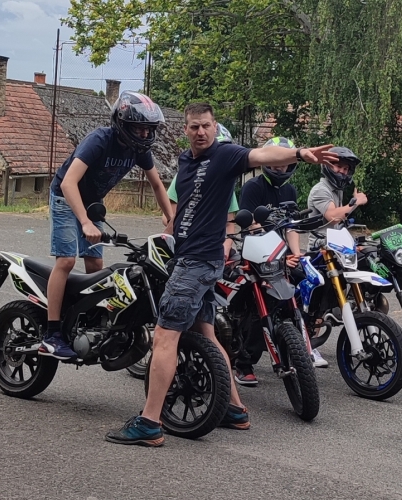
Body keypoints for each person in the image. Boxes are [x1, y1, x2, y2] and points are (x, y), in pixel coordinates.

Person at [105, 102, 338, 447]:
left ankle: (149, 423)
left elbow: (262, 155)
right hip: (191, 257)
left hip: (198, 262)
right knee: (206, 333)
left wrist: (300, 154)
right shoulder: (186, 161)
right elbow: (181, 209)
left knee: (164, 336)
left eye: (206, 126)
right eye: (194, 126)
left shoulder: (226, 155)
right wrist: (170, 232)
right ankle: (233, 408)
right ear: (186, 130)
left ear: (215, 127)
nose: (200, 132)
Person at [39, 91, 174, 360]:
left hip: (92, 202)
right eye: (140, 128)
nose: (145, 134)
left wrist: (172, 220)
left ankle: (88, 322)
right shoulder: (99, 140)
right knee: (66, 260)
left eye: (149, 129)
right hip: (66, 197)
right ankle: (51, 334)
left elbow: (158, 185)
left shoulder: (139, 150)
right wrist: (85, 222)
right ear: (122, 124)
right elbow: (68, 183)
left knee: (95, 265)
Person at [234, 136, 302, 386]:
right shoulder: (253, 187)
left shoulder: (290, 191)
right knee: (259, 307)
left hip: (281, 254)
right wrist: (277, 255)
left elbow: (291, 225)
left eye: (283, 162)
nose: (279, 166)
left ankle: (298, 347)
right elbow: (250, 224)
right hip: (257, 253)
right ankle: (244, 363)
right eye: (275, 161)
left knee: (301, 285)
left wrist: (296, 254)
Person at [306, 146, 368, 368]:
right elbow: (333, 216)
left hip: (336, 249)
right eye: (338, 167)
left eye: (346, 169)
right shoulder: (321, 189)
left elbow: (339, 225)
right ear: (327, 166)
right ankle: (310, 347)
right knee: (318, 303)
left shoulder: (336, 190)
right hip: (320, 252)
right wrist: (355, 202)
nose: (342, 171)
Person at [163, 124, 240, 259]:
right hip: (184, 247)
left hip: (213, 250)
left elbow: (229, 224)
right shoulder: (184, 177)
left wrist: (226, 247)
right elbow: (168, 216)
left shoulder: (225, 185)